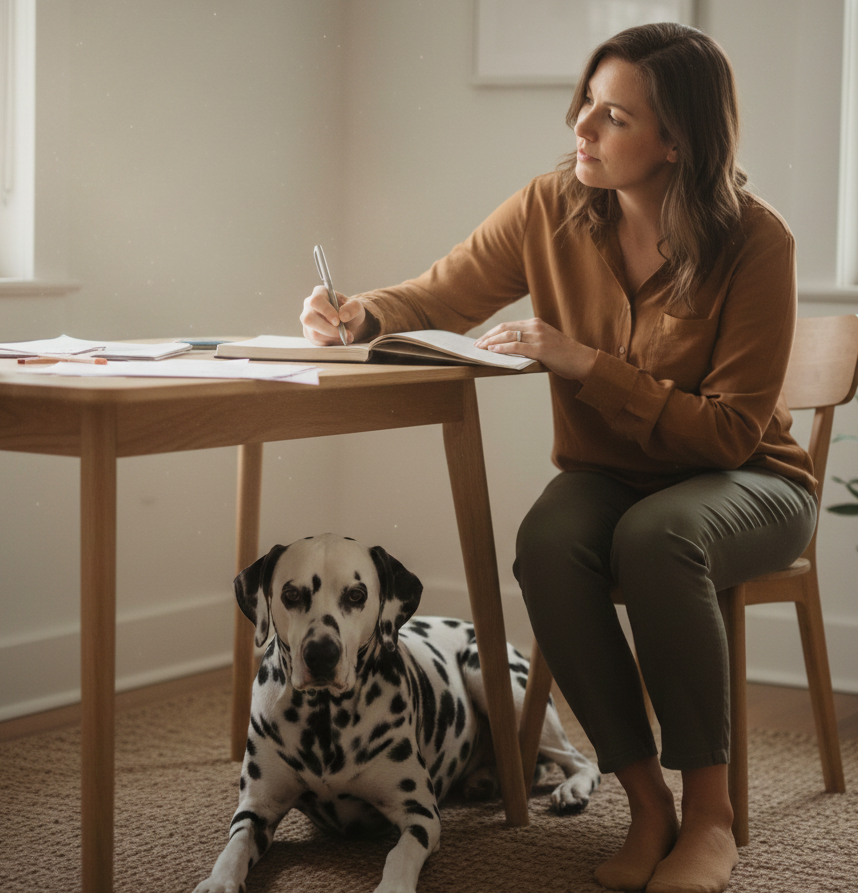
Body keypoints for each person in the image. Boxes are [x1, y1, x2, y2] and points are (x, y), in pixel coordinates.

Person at [300, 23, 818, 893]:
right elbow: (439, 293)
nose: (581, 125)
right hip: (612, 477)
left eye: (614, 116)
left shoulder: (758, 242)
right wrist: (358, 314)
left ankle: (711, 814)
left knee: (658, 538)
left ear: (677, 141)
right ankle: (647, 802)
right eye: (587, 101)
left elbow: (731, 432)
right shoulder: (551, 207)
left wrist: (585, 363)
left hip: (751, 480)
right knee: (547, 541)